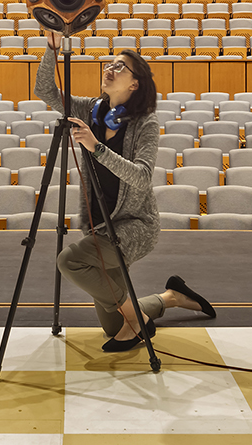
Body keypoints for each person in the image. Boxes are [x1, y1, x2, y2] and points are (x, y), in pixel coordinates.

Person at [37, 29, 217, 352]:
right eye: (110, 63)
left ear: (135, 84)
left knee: (69, 261)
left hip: (136, 226)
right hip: (103, 225)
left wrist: (96, 148)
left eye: (120, 67)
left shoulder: (145, 123)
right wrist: (52, 48)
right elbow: (45, 90)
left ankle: (138, 319)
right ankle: (171, 298)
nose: (110, 68)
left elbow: (142, 177)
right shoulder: (90, 110)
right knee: (115, 326)